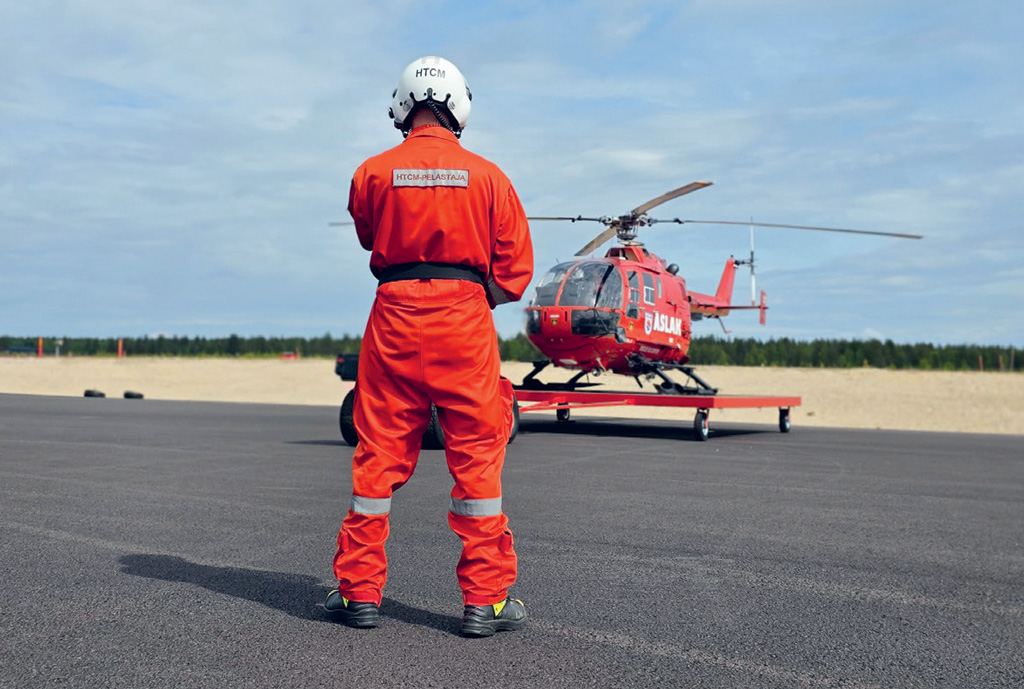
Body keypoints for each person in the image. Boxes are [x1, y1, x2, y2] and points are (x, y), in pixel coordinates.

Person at [326, 56, 534, 637]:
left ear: (402, 104)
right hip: (464, 321)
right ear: (459, 106)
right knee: (476, 456)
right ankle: (485, 602)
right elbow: (515, 269)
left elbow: (368, 232)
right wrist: (470, 296)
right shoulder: (490, 177)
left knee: (378, 454)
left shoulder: (372, 171)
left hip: (392, 315)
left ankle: (358, 594)